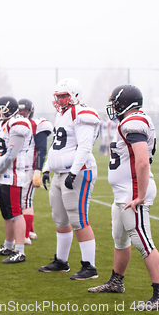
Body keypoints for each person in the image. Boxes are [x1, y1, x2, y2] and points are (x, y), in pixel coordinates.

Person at [88, 85, 159, 311]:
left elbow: (142, 161)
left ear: (125, 103)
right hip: (124, 192)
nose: (113, 106)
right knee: (120, 239)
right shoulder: (132, 121)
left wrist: (140, 195)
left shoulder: (133, 122)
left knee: (143, 241)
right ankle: (116, 281)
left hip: (134, 193)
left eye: (115, 102)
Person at [39, 78, 100, 280]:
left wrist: (73, 172)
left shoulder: (81, 113)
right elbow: (57, 145)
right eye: (58, 96)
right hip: (60, 172)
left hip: (79, 171)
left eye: (64, 96)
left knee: (78, 218)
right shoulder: (62, 115)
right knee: (60, 218)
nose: (59, 100)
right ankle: (61, 261)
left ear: (75, 96)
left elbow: (84, 147)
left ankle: (89, 266)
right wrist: (47, 168)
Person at [0, 96, 31, 264]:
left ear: (9, 108)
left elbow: (11, 155)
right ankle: (8, 245)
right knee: (6, 213)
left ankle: (20, 251)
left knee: (15, 213)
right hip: (1, 176)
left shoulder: (18, 123)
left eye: (0, 108)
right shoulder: (4, 123)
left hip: (12, 175)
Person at [17, 99, 53, 244]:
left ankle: (24, 236)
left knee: (25, 201)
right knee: (22, 201)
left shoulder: (37, 124)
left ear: (31, 111)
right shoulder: (16, 125)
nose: (21, 113)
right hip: (18, 167)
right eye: (19, 111)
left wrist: (38, 169)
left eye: (24, 111)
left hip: (29, 168)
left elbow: (42, 148)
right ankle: (30, 231)